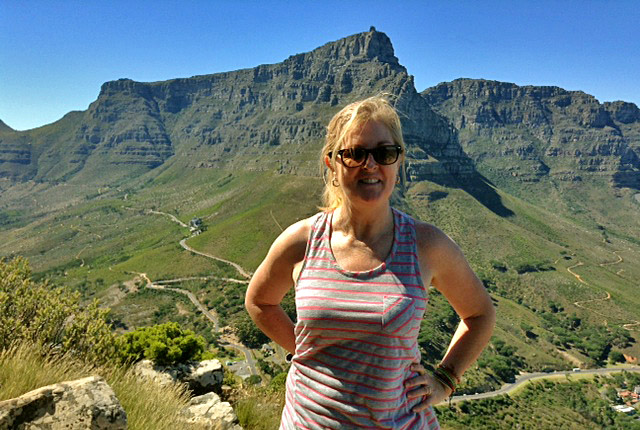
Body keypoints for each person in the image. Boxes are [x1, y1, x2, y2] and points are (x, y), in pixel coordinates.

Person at [245, 95, 496, 429]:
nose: (371, 164)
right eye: (354, 153)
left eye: (384, 153)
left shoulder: (426, 245)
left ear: (398, 161)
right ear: (331, 163)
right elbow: (259, 301)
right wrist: (306, 350)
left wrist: (445, 380)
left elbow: (480, 314)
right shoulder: (302, 240)